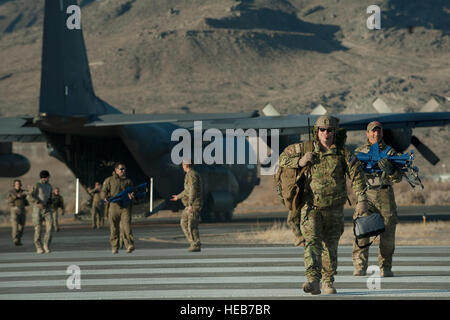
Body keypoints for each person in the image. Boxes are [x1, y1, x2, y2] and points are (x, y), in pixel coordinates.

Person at [278, 115, 368, 295]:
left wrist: (362, 199)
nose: (325, 134)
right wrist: (300, 161)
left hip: (334, 209)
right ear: (316, 131)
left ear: (335, 132)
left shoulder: (343, 153)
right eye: (322, 130)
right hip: (311, 207)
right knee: (312, 243)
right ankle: (312, 280)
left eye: (329, 130)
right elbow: (281, 159)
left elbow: (357, 175)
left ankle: (328, 281)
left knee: (330, 247)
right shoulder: (304, 149)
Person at [352, 121, 402, 278]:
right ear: (367, 134)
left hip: (385, 194)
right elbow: (352, 175)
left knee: (388, 234)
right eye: (372, 131)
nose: (376, 134)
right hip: (366, 195)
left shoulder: (390, 152)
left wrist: (391, 170)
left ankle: (385, 267)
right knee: (362, 231)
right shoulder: (359, 152)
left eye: (378, 131)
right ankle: (360, 266)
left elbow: (398, 178)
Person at [101, 162, 135, 254]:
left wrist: (132, 196)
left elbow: (133, 192)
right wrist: (105, 198)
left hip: (125, 207)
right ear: (116, 170)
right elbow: (104, 191)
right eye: (121, 169)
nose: (123, 171)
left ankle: (129, 245)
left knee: (126, 226)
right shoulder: (109, 180)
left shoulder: (128, 181)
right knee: (114, 228)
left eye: (124, 169)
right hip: (113, 207)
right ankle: (115, 246)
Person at [170, 160, 203, 252]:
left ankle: (195, 244)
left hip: (193, 205)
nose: (182, 165)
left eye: (183, 164)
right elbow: (187, 191)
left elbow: (193, 190)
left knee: (191, 225)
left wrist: (190, 204)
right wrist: (178, 197)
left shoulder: (191, 175)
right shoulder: (189, 174)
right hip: (190, 204)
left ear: (187, 165)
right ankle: (195, 243)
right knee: (184, 223)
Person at [27, 170, 53, 254]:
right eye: (48, 177)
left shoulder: (49, 186)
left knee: (50, 227)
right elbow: (29, 196)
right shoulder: (37, 185)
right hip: (37, 209)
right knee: (38, 228)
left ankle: (46, 245)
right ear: (44, 177)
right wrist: (38, 202)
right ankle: (38, 247)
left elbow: (50, 197)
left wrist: (50, 201)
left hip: (47, 209)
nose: (49, 178)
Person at [7, 179, 29, 246]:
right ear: (14, 185)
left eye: (19, 184)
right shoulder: (11, 192)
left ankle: (18, 239)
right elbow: (8, 200)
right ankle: (15, 239)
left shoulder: (23, 192)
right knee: (15, 226)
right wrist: (16, 196)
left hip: (22, 209)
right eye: (16, 184)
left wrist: (29, 192)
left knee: (21, 227)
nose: (18, 185)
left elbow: (28, 198)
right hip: (14, 209)